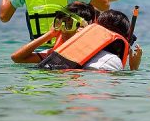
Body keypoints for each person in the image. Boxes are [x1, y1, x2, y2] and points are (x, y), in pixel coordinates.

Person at [11, 5, 142, 71]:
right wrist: (133, 70)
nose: (62, 30)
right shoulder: (112, 61)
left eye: (68, 25)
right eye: (59, 24)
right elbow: (17, 58)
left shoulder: (59, 55)